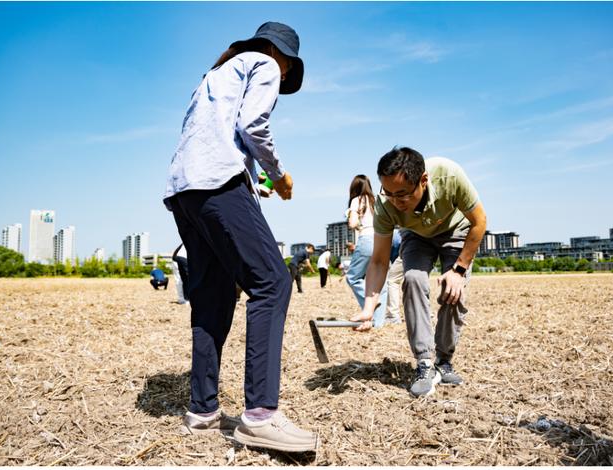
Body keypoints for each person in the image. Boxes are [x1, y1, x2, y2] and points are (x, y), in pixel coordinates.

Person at [162, 22, 318, 452]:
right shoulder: (263, 62)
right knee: (272, 282)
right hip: (217, 184)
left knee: (213, 295)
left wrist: (254, 182)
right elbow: (253, 125)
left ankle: (202, 409)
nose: (284, 76)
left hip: (184, 190)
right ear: (278, 53)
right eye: (289, 67)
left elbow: (213, 142)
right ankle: (260, 416)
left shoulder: (211, 77)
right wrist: (278, 175)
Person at [351, 147, 487, 398]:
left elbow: (480, 222)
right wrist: (369, 308)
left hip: (456, 232)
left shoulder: (449, 176)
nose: (395, 202)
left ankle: (444, 361)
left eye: (402, 195)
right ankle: (424, 362)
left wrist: (458, 270)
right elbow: (380, 261)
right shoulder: (385, 204)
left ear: (423, 181)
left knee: (453, 291)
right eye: (388, 193)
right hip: (416, 236)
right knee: (412, 279)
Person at [345, 175, 388, 328]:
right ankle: (378, 323)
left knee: (353, 277)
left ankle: (370, 304)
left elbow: (353, 223)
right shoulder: (377, 199)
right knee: (381, 282)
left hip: (367, 239)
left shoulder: (357, 200)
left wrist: (350, 214)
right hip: (383, 238)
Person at [385, 229, 403, 324]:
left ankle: (392, 316)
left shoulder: (379, 234)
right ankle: (426, 313)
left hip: (406, 248)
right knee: (414, 280)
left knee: (392, 280)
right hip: (421, 246)